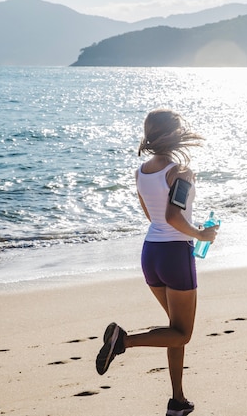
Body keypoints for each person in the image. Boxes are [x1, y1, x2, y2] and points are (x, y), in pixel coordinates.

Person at [96, 109, 218, 416]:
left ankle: (177, 400)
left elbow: (153, 217)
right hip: (175, 255)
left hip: (151, 253)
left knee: (174, 331)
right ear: (172, 134)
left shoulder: (141, 171)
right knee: (184, 333)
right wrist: (201, 235)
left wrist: (189, 229)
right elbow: (173, 217)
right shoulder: (181, 172)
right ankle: (123, 341)